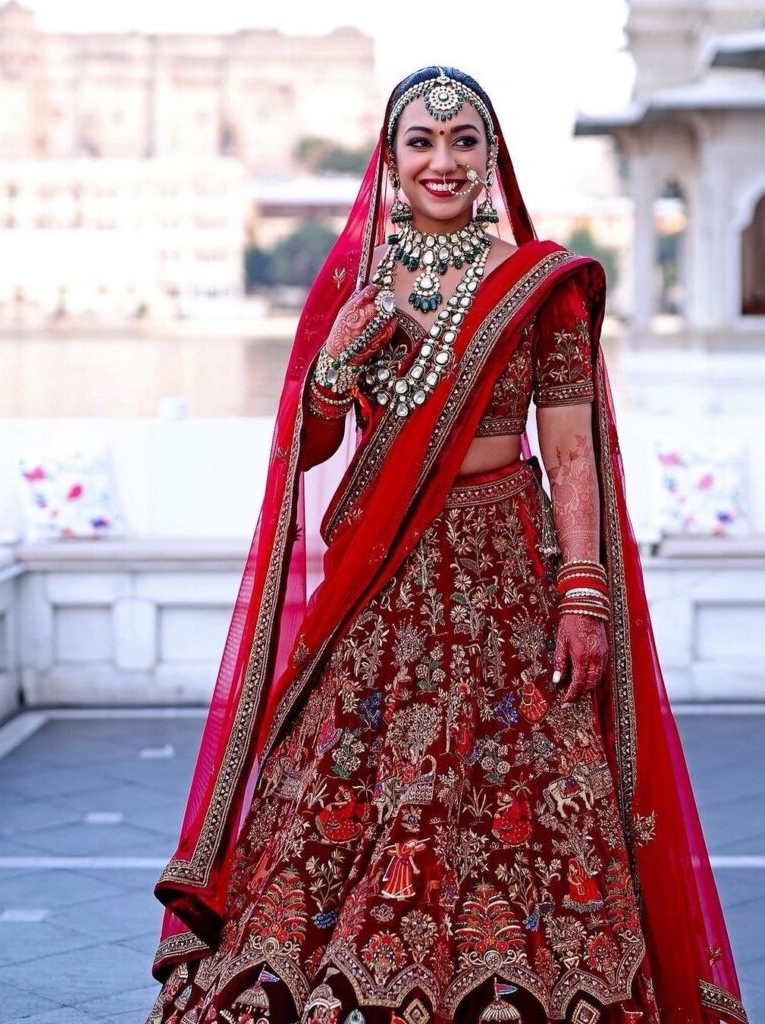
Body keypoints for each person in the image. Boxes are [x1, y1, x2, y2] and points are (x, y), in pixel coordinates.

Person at [144, 67, 748, 1024]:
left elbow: (569, 444)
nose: (442, 160)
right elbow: (306, 451)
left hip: (508, 560)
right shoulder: (354, 282)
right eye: (420, 143)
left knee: (523, 788)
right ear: (388, 163)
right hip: (381, 573)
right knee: (352, 776)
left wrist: (582, 588)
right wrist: (337, 361)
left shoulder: (535, 281)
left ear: (490, 156)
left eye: (462, 141)